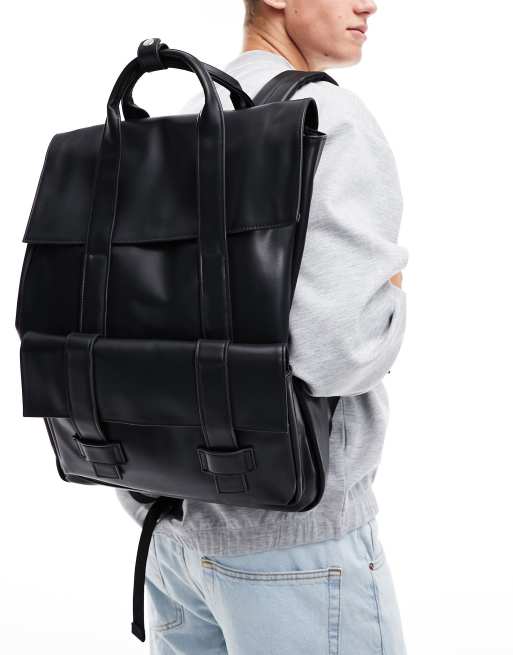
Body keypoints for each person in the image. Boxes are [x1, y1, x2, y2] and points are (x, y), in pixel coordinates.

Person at [117, 1, 409, 652]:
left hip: (172, 532)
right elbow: (339, 350)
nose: (370, 4)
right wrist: (391, 290)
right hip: (297, 548)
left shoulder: (185, 114)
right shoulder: (326, 115)